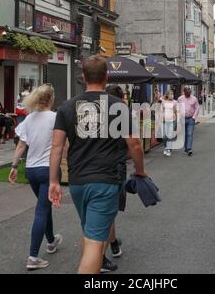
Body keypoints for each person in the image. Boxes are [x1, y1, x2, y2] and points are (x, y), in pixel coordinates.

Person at [48, 55, 147, 274]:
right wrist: (140, 170)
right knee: (94, 241)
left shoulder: (66, 107)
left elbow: (56, 147)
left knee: (90, 233)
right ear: (107, 77)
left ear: (83, 77)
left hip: (78, 182)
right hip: (105, 180)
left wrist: (54, 180)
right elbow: (134, 143)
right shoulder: (118, 106)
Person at [9, 84, 63, 270]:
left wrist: (14, 166)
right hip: (49, 169)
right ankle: (32, 257)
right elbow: (65, 145)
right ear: (51, 99)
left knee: (43, 205)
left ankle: (51, 240)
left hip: (31, 170)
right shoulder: (56, 118)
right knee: (41, 210)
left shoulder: (29, 119)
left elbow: (21, 146)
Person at [104, 85, 129, 268]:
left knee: (108, 211)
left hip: (91, 168)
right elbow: (134, 144)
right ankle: (100, 258)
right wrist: (140, 169)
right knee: (106, 212)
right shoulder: (122, 113)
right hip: (115, 167)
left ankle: (113, 244)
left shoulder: (98, 112)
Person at [177, 87, 199, 156]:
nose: (188, 94)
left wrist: (193, 118)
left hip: (190, 119)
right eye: (187, 93)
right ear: (184, 92)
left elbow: (197, 108)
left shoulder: (194, 99)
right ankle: (186, 147)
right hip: (182, 119)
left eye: (189, 93)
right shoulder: (180, 99)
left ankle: (189, 148)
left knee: (189, 133)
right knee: (184, 134)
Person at [161, 91, 178, 156]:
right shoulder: (163, 102)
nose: (172, 95)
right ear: (167, 95)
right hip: (164, 121)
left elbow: (176, 112)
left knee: (170, 136)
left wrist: (177, 120)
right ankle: (165, 147)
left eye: (172, 94)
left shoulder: (175, 102)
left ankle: (169, 149)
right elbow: (161, 111)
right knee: (164, 136)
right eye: (170, 94)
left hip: (172, 121)